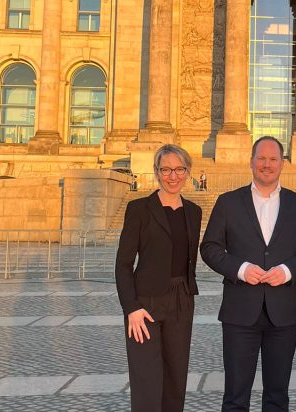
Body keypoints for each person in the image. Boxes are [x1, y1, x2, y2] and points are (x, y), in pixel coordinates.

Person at [200, 136, 296, 412]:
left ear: (282, 164)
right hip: (239, 311)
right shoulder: (228, 202)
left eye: (273, 159)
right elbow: (209, 247)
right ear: (251, 162)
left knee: (278, 396)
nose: (267, 164)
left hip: (284, 313)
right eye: (262, 158)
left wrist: (287, 270)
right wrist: (241, 269)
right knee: (235, 396)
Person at [115, 144, 203, 412]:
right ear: (156, 172)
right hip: (145, 305)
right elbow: (123, 263)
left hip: (181, 302)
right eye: (165, 169)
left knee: (175, 381)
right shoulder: (139, 209)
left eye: (179, 169)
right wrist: (131, 308)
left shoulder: (194, 212)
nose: (172, 176)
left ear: (188, 172)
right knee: (147, 382)